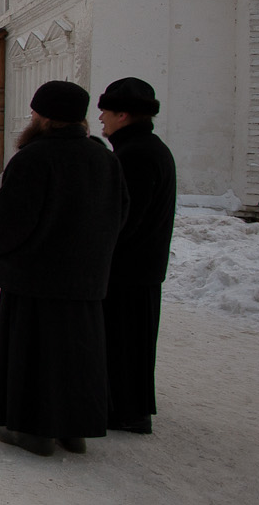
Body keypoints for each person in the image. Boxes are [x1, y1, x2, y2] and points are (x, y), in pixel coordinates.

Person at [0, 80, 128, 457]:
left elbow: (14, 221)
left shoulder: (34, 158)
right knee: (76, 354)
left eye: (34, 112)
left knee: (33, 353)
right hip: (85, 281)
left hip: (35, 280)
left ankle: (32, 431)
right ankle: (72, 429)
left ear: (46, 118)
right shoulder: (103, 158)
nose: (31, 117)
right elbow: (120, 213)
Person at [97, 77, 177, 435]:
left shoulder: (136, 154)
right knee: (131, 339)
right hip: (140, 264)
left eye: (107, 113)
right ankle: (127, 407)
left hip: (129, 266)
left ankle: (127, 411)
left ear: (124, 115)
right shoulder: (148, 148)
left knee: (125, 340)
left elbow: (126, 215)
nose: (102, 119)